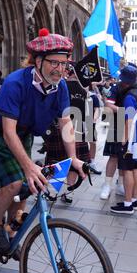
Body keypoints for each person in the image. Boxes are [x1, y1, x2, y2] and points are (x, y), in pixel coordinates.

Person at [0, 28, 86, 256]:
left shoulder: (60, 88)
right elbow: (8, 132)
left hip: (24, 133)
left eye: (64, 64)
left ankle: (12, 230)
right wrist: (29, 166)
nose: (60, 69)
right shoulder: (15, 82)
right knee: (14, 182)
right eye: (54, 63)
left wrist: (74, 158)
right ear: (38, 61)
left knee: (27, 186)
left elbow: (66, 122)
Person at [43, 66, 91, 204]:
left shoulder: (59, 85)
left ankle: (51, 192)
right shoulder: (83, 89)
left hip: (60, 127)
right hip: (78, 127)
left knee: (55, 163)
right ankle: (69, 193)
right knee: (73, 164)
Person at [110, 65, 137, 214]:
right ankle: (134, 200)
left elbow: (129, 119)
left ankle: (127, 204)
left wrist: (124, 140)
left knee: (127, 170)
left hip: (130, 138)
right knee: (135, 170)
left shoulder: (129, 96)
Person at [88, 82, 102, 175]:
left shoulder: (93, 96)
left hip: (89, 121)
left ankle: (92, 163)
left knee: (93, 142)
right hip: (77, 121)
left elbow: (96, 108)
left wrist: (94, 119)